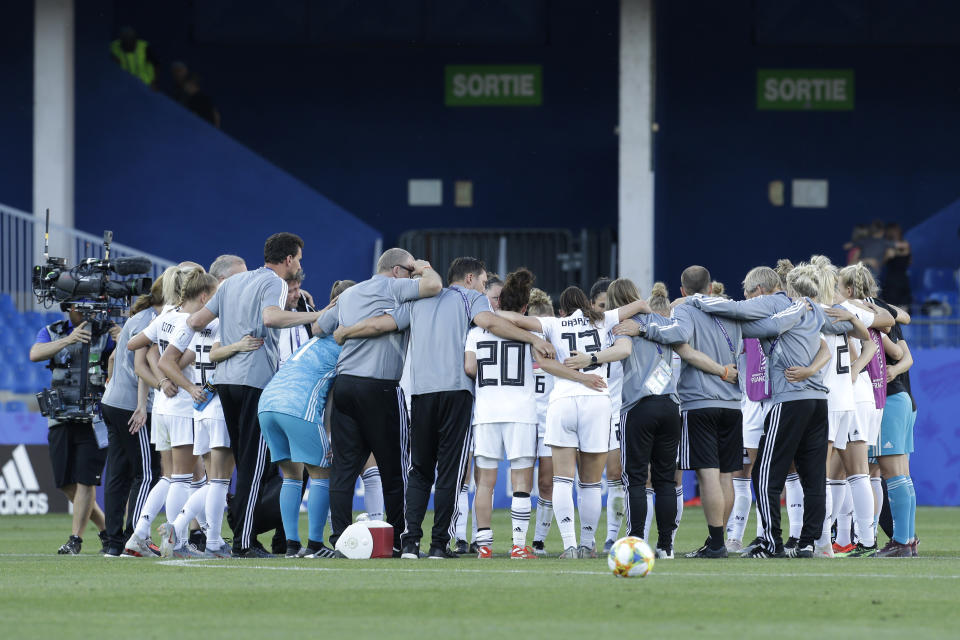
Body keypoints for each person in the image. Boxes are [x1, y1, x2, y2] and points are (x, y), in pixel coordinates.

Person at [688, 264, 859, 558]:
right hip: (818, 402)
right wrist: (852, 315)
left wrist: (696, 300)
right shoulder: (811, 309)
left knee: (765, 475)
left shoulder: (773, 302)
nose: (747, 296)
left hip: (790, 399)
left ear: (760, 290)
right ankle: (807, 543)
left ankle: (771, 542)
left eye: (749, 291)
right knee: (813, 476)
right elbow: (848, 330)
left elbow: (739, 311)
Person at [187, 233, 324, 557]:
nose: (300, 265)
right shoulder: (274, 283)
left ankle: (241, 534)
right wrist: (316, 316)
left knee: (243, 463)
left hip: (226, 382)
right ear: (288, 260)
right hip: (255, 382)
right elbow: (270, 318)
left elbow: (195, 321)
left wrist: (231, 341)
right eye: (299, 259)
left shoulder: (232, 284)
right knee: (252, 464)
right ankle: (244, 542)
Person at [500, 286, 651, 558]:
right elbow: (640, 305)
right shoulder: (604, 319)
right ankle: (586, 544)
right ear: (588, 304)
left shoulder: (552, 323)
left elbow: (514, 319)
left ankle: (568, 545)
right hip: (597, 400)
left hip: (563, 400)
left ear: (562, 309)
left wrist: (491, 314)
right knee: (591, 483)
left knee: (562, 480)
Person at [317, 248, 442, 554]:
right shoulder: (394, 286)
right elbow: (435, 285)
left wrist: (341, 317)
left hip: (345, 386)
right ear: (399, 270)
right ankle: (400, 537)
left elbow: (319, 327)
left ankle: (340, 540)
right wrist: (424, 268)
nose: (413, 276)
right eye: (409, 270)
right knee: (395, 467)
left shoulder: (350, 294)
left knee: (344, 469)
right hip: (380, 386)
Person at [635, 265, 744, 559]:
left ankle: (717, 542)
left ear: (682, 291)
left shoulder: (684, 311)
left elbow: (681, 345)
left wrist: (644, 326)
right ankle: (719, 539)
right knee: (727, 475)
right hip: (733, 403)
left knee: (708, 473)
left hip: (700, 401)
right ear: (711, 287)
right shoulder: (732, 310)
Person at [256, 280, 356, 558]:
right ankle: (314, 544)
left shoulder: (314, 340)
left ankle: (290, 545)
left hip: (268, 405)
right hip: (298, 406)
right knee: (321, 473)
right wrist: (330, 436)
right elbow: (330, 400)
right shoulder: (344, 345)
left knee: (291, 476)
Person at [465, 268, 542, 559]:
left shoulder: (475, 332)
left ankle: (484, 544)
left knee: (484, 483)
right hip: (521, 412)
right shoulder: (528, 332)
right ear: (523, 308)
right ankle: (519, 546)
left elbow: (469, 369)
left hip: (486, 412)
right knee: (521, 482)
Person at [29, 304, 116, 554]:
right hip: (60, 415)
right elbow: (35, 354)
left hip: (95, 416)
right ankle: (107, 531)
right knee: (65, 482)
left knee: (86, 480)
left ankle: (75, 540)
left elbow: (125, 360)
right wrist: (69, 339)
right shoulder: (53, 331)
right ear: (69, 308)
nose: (87, 313)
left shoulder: (106, 333)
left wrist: (122, 340)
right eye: (81, 307)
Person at [153, 270, 222, 557]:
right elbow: (213, 356)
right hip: (208, 402)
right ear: (206, 295)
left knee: (194, 478)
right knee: (214, 479)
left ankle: (173, 531)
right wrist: (192, 388)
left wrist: (168, 383)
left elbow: (144, 350)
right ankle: (183, 535)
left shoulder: (183, 321)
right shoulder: (216, 321)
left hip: (187, 407)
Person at [99, 278, 164, 556]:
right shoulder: (151, 321)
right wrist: (140, 404)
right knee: (147, 473)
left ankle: (113, 542)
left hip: (113, 402)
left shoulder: (138, 318)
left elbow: (114, 359)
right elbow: (142, 367)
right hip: (133, 407)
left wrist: (112, 384)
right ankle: (133, 537)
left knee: (118, 474)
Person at [528, 288, 556, 556]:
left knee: (547, 482)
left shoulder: (558, 343)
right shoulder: (522, 343)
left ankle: (538, 541)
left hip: (549, 422)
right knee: (522, 483)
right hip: (524, 419)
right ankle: (517, 540)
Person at [882, 223, 912, 308]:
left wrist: (895, 252)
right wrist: (889, 254)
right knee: (891, 308)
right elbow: (884, 260)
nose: (896, 233)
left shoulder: (905, 244)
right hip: (891, 281)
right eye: (894, 231)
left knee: (904, 307)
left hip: (903, 280)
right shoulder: (887, 246)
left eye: (897, 231)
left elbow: (907, 254)